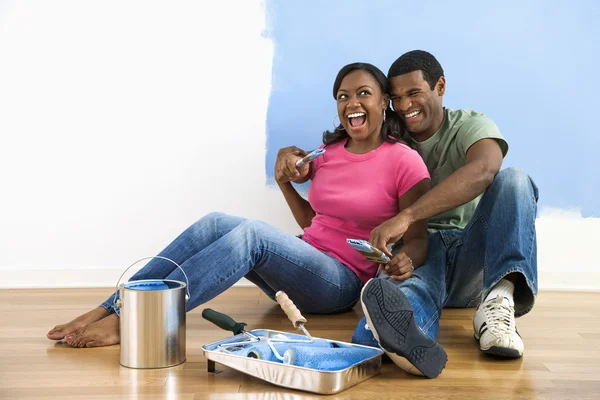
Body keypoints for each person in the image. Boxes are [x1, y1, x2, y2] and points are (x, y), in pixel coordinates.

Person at [47, 62, 432, 350]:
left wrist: (406, 260)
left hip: (342, 284)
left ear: (384, 101)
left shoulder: (403, 160)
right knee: (215, 222)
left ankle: (138, 321)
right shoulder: (327, 153)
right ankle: (110, 307)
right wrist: (285, 184)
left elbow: (418, 238)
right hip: (307, 262)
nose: (352, 103)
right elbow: (318, 223)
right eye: (343, 96)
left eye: (363, 93)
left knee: (250, 236)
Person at [348, 50, 539, 378]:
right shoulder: (388, 139)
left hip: (472, 257)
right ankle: (401, 335)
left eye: (414, 93)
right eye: (395, 98)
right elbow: (347, 150)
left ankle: (498, 301)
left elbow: (484, 169)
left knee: (515, 180)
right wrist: (301, 166)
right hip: (419, 252)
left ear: (440, 86)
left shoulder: (470, 124)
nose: (405, 105)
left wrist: (406, 215)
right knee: (411, 280)